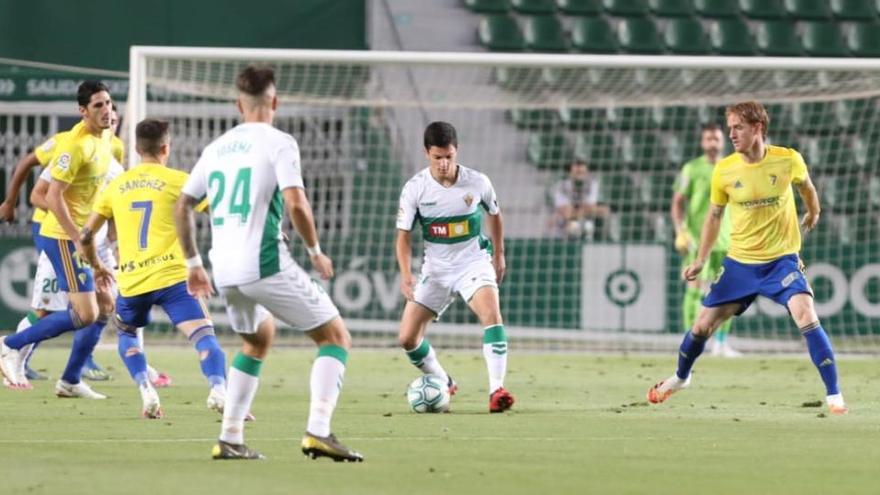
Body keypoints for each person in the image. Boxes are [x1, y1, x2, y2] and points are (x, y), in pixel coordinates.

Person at [175, 65, 363, 461]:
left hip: (222, 269)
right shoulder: (279, 141)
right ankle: (319, 431)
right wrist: (314, 251)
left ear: (237, 104)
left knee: (257, 339)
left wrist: (193, 262)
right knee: (336, 338)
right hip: (263, 263)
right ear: (274, 102)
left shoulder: (216, 148)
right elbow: (296, 202)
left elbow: (183, 204)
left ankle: (229, 437)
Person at [647, 101, 847, 415]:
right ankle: (681, 377)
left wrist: (814, 210)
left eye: (738, 127)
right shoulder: (724, 170)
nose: (732, 135)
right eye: (729, 129)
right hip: (739, 263)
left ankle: (834, 395)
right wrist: (700, 259)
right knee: (702, 326)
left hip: (781, 260)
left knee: (806, 313)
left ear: (757, 128)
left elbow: (807, 187)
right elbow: (714, 216)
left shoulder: (787, 159)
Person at [80, 118, 226, 419]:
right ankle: (218, 389)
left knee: (128, 333)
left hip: (133, 281)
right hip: (174, 278)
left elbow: (85, 236)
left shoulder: (115, 186)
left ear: (135, 148)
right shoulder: (179, 181)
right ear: (166, 147)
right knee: (203, 336)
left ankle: (146, 388)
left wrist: (96, 266)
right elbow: (220, 214)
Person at [0, 81, 115, 398]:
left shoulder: (103, 138)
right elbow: (50, 194)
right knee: (85, 314)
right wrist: (78, 237)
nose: (107, 110)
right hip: (63, 237)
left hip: (83, 237)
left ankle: (70, 379)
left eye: (108, 103)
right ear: (83, 111)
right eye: (98, 106)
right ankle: (8, 345)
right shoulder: (74, 145)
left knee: (106, 304)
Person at [396, 121, 514, 413]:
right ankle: (442, 380)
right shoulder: (415, 189)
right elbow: (403, 237)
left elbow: (495, 216)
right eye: (438, 157)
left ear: (456, 151)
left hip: (473, 261)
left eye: (449, 156)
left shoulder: (478, 182)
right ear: (427, 154)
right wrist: (407, 275)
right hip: (435, 270)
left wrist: (499, 254)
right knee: (408, 338)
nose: (444, 163)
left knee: (492, 314)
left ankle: (496, 389)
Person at [671, 123, 740, 358]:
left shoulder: (733, 167)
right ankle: (688, 341)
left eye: (716, 139)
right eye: (708, 139)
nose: (713, 143)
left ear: (723, 142)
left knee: (730, 294)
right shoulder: (691, 169)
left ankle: (720, 343)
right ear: (702, 142)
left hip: (727, 240)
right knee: (694, 289)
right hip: (698, 240)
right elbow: (677, 202)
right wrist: (681, 230)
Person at [552, 160, 610, 240]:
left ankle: (590, 241)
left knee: (589, 223)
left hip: (585, 220)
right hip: (564, 226)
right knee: (572, 224)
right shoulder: (561, 186)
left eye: (582, 173)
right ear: (570, 173)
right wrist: (589, 210)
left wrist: (580, 211)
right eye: (577, 173)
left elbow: (594, 208)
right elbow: (567, 214)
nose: (580, 176)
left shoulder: (592, 184)